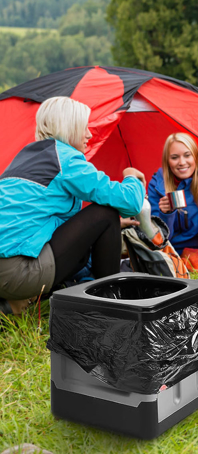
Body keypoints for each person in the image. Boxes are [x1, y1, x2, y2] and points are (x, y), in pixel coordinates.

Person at [0, 97, 146, 316]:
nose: (89, 134)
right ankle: (111, 305)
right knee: (105, 213)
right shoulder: (65, 159)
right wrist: (131, 176)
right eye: (84, 127)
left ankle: (10, 306)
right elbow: (130, 202)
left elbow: (45, 222)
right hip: (19, 272)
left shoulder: (25, 156)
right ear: (69, 128)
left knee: (100, 225)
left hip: (7, 268)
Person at [148, 133, 198, 253]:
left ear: (195, 156)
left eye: (187, 155)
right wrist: (166, 215)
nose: (182, 162)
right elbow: (157, 238)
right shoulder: (157, 184)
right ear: (167, 161)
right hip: (168, 251)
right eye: (174, 157)